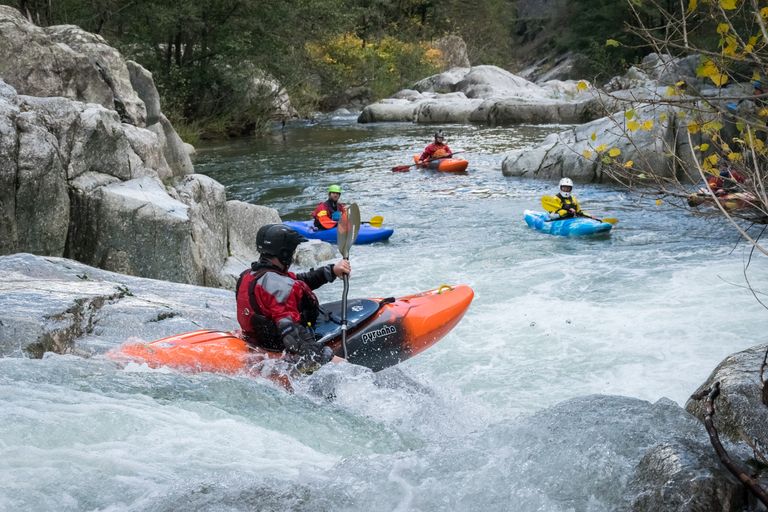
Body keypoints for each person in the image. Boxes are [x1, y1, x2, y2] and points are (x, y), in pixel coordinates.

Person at [235, 224, 351, 371]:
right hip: (281, 351)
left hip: (258, 342)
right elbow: (293, 337)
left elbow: (299, 281)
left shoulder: (248, 276)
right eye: (291, 251)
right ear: (284, 254)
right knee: (344, 366)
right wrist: (327, 358)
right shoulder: (280, 286)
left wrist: (332, 271)